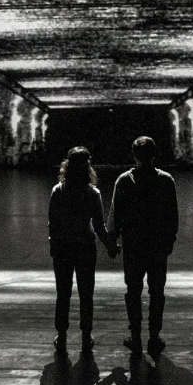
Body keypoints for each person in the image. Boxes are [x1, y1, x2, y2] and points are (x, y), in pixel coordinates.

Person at [109, 136, 179, 356]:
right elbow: (172, 216)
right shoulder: (166, 180)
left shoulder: (124, 180)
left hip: (133, 245)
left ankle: (136, 335)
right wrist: (169, 241)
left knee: (133, 291)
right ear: (154, 154)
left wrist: (112, 241)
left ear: (134, 156)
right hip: (157, 245)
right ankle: (154, 336)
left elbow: (115, 215)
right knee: (157, 291)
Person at [48, 146, 119, 355]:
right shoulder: (92, 193)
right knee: (86, 294)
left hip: (62, 247)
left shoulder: (58, 191)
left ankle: (61, 334)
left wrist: (54, 246)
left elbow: (53, 223)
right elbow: (98, 226)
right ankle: (86, 335)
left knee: (63, 293)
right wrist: (110, 246)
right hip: (85, 248)